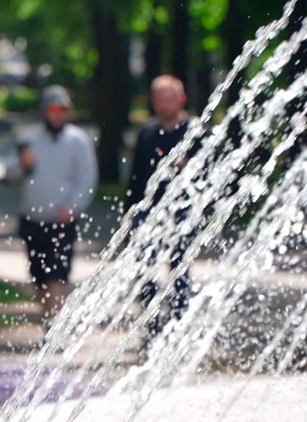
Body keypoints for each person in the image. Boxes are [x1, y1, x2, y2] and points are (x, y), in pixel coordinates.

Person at [5, 85, 98, 337]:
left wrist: (74, 207)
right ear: (44, 112)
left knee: (58, 274)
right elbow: (10, 174)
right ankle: (47, 318)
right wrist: (22, 165)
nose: (60, 115)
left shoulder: (77, 140)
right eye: (55, 110)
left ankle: (55, 327)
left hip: (62, 219)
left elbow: (87, 178)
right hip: (32, 218)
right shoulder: (28, 139)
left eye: (64, 110)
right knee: (38, 275)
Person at [125, 75, 203, 351]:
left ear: (181, 99)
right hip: (151, 212)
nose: (162, 105)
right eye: (157, 99)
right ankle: (151, 330)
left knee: (180, 272)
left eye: (168, 99)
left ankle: (179, 330)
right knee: (145, 273)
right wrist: (131, 216)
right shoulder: (147, 132)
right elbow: (136, 179)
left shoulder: (196, 132)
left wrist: (190, 169)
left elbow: (213, 175)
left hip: (183, 212)